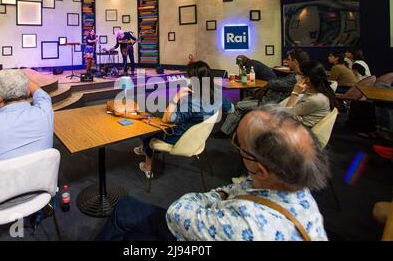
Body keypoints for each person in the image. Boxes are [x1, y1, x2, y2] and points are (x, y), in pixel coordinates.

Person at [96, 105, 330, 241]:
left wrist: (212, 198)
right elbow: (235, 189)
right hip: (210, 220)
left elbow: (177, 212)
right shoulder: (297, 190)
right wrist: (221, 196)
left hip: (192, 223)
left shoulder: (248, 226)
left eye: (239, 144)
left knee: (125, 210)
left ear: (261, 169)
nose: (235, 147)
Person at [134, 61, 234, 179]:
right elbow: (231, 109)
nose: (185, 78)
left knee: (146, 130)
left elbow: (167, 119)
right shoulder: (217, 94)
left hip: (177, 138)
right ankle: (144, 148)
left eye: (188, 76)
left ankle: (148, 165)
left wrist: (177, 96)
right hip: (199, 138)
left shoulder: (192, 103)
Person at [216, 48, 309, 137]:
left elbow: (274, 83)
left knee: (238, 106)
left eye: (288, 60)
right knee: (244, 101)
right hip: (269, 99)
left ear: (295, 62)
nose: (286, 62)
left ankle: (226, 132)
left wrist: (269, 85)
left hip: (270, 103)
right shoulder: (298, 76)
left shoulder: (295, 78)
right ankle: (239, 129)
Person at [286, 60, 337, 128]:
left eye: (299, 74)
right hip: (301, 127)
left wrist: (295, 93)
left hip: (299, 132)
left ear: (307, 79)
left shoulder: (315, 99)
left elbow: (285, 114)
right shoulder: (322, 91)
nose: (297, 77)